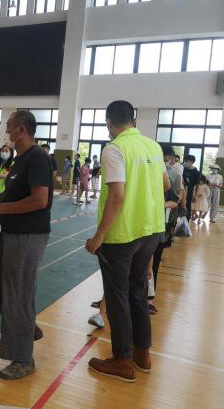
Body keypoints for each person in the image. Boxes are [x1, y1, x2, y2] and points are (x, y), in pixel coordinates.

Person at [85, 100, 169, 383]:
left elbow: (117, 197)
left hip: (122, 235)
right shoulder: (153, 146)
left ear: (109, 123)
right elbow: (166, 185)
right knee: (137, 292)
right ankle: (142, 354)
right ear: (134, 121)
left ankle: (122, 360)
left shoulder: (115, 149)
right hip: (151, 230)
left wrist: (98, 237)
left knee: (117, 295)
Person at [0, 110, 53, 380]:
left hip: (27, 235)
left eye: (9, 126)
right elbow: (16, 195)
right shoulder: (20, 160)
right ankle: (27, 326)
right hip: (12, 233)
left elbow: (39, 200)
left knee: (18, 293)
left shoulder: (37, 158)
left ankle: (23, 358)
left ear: (20, 130)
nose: (6, 131)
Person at [147, 145, 181, 315]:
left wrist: (158, 205)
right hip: (138, 224)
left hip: (159, 225)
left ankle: (149, 299)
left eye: (167, 158)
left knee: (152, 264)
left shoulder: (173, 174)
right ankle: (109, 300)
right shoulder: (143, 169)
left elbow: (176, 198)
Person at [182, 155, 200, 221]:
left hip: (189, 192)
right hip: (181, 190)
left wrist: (196, 195)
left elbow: (197, 185)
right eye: (185, 161)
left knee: (188, 207)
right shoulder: (183, 169)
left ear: (192, 162)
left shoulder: (196, 172)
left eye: (187, 161)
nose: (185, 162)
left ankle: (186, 221)